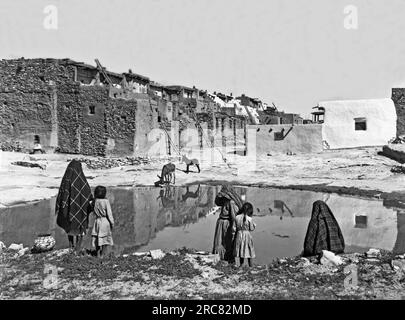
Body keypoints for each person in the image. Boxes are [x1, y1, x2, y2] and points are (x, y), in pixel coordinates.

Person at [55, 160, 93, 253]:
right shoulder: (81, 180)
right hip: (80, 210)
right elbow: (88, 194)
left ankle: (71, 246)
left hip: (68, 209)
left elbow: (62, 194)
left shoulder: (66, 180)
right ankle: (78, 247)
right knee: (80, 227)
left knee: (69, 226)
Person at [212, 185, 243, 263]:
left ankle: (226, 259)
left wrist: (233, 227)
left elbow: (233, 217)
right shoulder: (225, 200)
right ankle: (221, 258)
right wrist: (219, 195)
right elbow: (217, 202)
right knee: (220, 241)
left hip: (226, 224)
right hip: (222, 222)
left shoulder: (231, 202)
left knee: (226, 241)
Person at [91, 186, 114, 258]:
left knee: (97, 238)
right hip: (105, 221)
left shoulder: (94, 201)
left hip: (97, 221)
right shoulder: (106, 202)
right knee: (105, 240)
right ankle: (103, 255)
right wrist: (112, 223)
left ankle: (97, 253)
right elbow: (109, 214)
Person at [233, 202, 256, 267]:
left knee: (241, 250)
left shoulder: (237, 217)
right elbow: (251, 229)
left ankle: (241, 265)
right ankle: (251, 266)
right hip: (247, 236)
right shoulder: (249, 219)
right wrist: (254, 225)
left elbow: (233, 229)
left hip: (239, 235)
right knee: (249, 251)